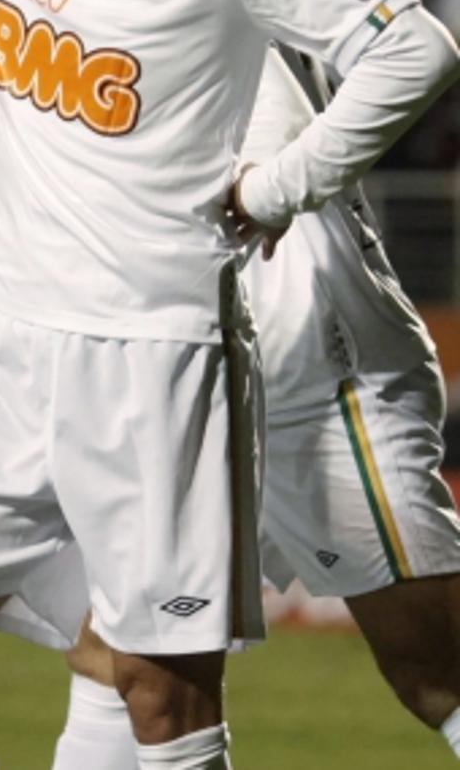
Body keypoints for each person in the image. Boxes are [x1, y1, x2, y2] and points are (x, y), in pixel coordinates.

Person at [0, 0, 460, 767]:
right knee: (64, 662)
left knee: (433, 671)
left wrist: (278, 192)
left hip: (300, 358)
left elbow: (411, 50)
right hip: (48, 344)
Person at [50, 43, 460, 768]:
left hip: (319, 378)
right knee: (124, 661)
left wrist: (262, 191)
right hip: (210, 379)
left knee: (438, 674)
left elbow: (397, 63)